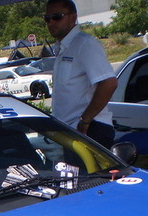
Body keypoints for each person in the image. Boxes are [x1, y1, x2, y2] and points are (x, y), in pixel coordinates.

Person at [44, 0, 118, 148]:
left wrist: (85, 120)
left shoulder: (85, 44)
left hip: (90, 130)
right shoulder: (63, 48)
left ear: (73, 17)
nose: (51, 22)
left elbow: (109, 83)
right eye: (47, 18)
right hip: (71, 132)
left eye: (57, 17)